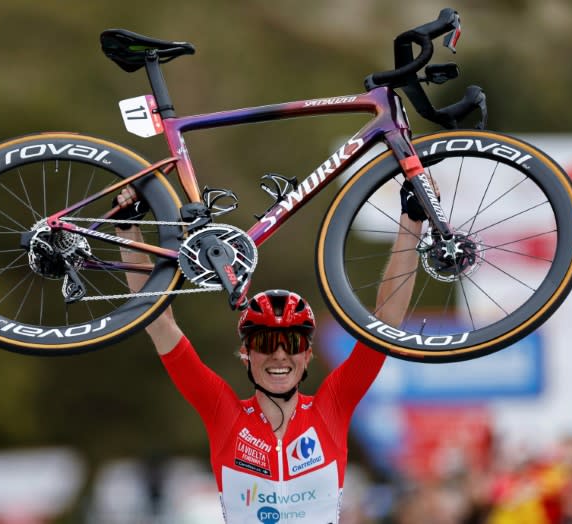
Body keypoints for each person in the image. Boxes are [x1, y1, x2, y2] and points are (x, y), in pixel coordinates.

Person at [113, 180, 428, 523]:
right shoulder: (223, 413)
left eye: (292, 343)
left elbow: (386, 322)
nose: (279, 355)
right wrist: (129, 230)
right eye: (265, 344)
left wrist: (412, 221)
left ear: (307, 356)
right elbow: (159, 323)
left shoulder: (331, 408)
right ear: (247, 354)